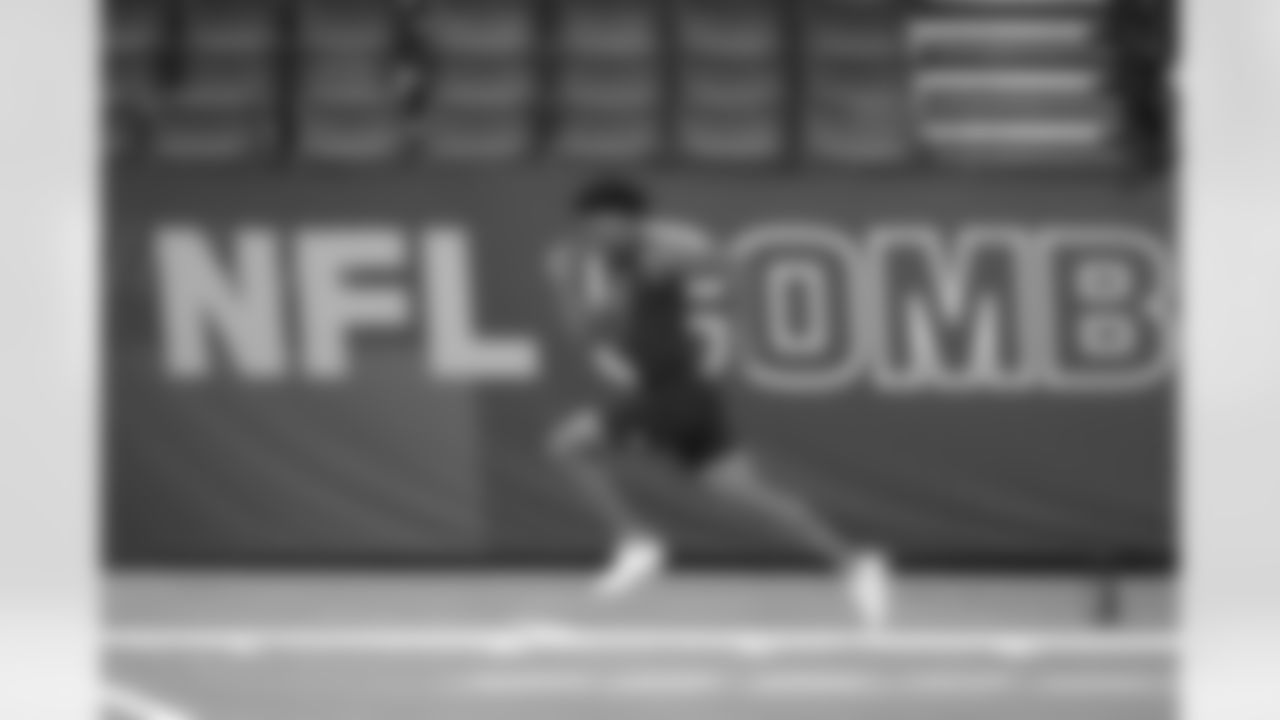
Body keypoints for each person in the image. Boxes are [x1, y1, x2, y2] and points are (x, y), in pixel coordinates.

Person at [542, 176, 893, 627]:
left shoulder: (660, 253)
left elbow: (721, 262)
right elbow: (587, 330)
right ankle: (856, 565)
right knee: (748, 494)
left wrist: (735, 327)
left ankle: (638, 541)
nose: (594, 234)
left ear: (631, 222)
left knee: (567, 446)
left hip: (678, 391)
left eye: (605, 224)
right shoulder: (611, 266)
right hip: (674, 392)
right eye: (589, 226)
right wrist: (566, 285)